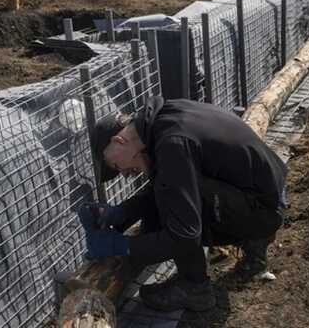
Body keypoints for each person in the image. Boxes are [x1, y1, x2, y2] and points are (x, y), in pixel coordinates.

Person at [77, 96, 287, 312]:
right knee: (173, 193)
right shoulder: (166, 118)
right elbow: (171, 181)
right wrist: (124, 213)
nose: (124, 173)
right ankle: (255, 240)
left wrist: (122, 246)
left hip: (263, 209)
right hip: (265, 194)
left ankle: (195, 288)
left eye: (115, 165)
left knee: (177, 209)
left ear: (119, 141)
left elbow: (183, 235)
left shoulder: (172, 144)